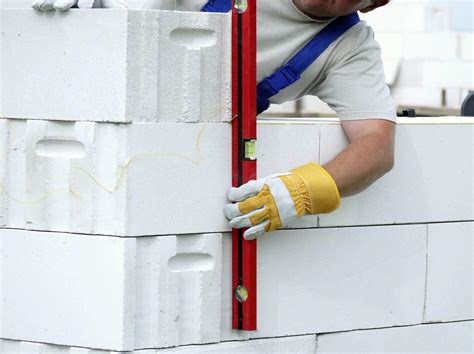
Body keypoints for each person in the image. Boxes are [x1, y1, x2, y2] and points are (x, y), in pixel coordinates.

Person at [32, 0, 396, 240]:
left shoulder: (348, 46)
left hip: (156, 170)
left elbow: (377, 147)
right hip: (65, 117)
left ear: (376, 3)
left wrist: (302, 191)